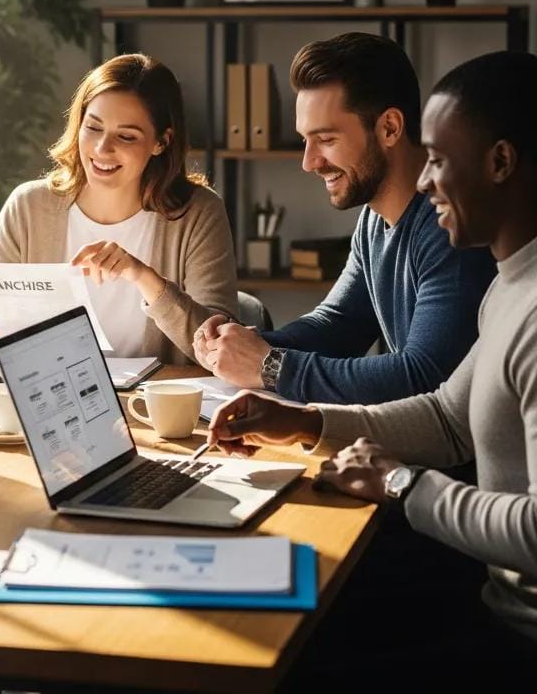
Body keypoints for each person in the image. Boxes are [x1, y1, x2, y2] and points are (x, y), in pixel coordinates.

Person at [208, 50, 537, 680]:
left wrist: (400, 483)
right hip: (489, 599)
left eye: (438, 159)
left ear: (499, 162)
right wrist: (303, 421)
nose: (422, 180)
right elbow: (446, 416)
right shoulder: (508, 285)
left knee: (276, 646)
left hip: (512, 637)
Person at [194, 32, 495, 403]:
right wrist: (240, 344)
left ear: (389, 128)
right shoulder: (374, 219)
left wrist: (270, 365)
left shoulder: (449, 224)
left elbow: (424, 375)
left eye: (326, 139)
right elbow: (338, 325)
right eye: (305, 140)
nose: (309, 162)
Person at [0, 53, 238, 364]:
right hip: (51, 400)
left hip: (153, 408)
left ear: (161, 142)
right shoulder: (29, 207)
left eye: (126, 136)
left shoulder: (198, 213)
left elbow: (222, 352)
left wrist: (143, 278)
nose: (102, 149)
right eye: (93, 128)